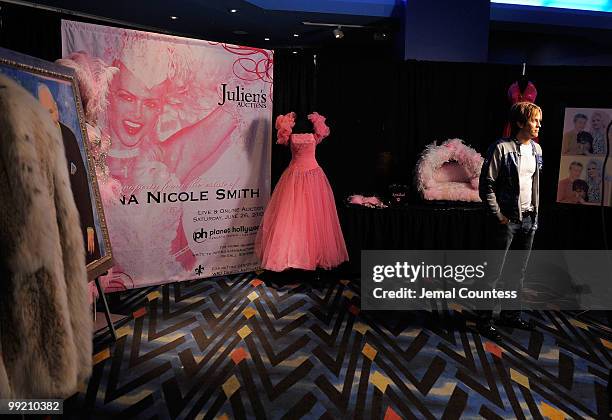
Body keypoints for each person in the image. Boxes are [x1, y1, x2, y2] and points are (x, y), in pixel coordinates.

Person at [478, 101, 543, 341]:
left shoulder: (537, 150)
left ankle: (510, 314)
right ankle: (484, 320)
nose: (538, 125)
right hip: (506, 221)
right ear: (519, 122)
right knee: (494, 273)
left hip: (529, 220)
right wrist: (499, 215)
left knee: (518, 271)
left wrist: (534, 213)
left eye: (538, 121)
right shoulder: (500, 148)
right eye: (534, 120)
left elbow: (534, 185)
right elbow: (486, 185)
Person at [37, 83, 99, 262]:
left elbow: (81, 183)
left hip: (74, 218)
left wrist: (88, 225)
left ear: (56, 108)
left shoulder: (68, 135)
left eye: (50, 111)